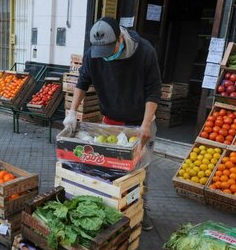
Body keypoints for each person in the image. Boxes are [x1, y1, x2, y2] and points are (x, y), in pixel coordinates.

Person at [63, 17, 162, 231]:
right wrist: (72, 112)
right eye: (101, 52)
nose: (105, 56)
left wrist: (145, 124)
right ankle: (116, 212)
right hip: (111, 122)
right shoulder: (93, 55)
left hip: (140, 123)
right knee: (110, 171)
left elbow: (154, 90)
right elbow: (83, 81)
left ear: (120, 38)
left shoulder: (145, 51)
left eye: (109, 49)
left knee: (139, 172)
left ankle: (140, 213)